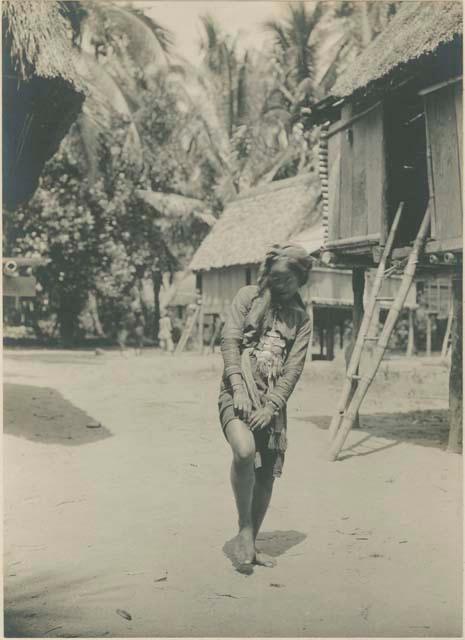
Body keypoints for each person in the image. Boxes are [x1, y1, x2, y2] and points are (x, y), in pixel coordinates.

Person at [218, 244, 313, 571]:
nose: (280, 284)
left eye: (287, 279)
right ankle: (244, 530)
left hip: (271, 406)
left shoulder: (301, 319)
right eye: (274, 278)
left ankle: (249, 540)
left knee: (265, 476)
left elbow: (293, 369)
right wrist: (239, 388)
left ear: (301, 279)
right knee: (244, 452)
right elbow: (230, 341)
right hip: (236, 393)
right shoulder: (248, 297)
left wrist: (271, 406)